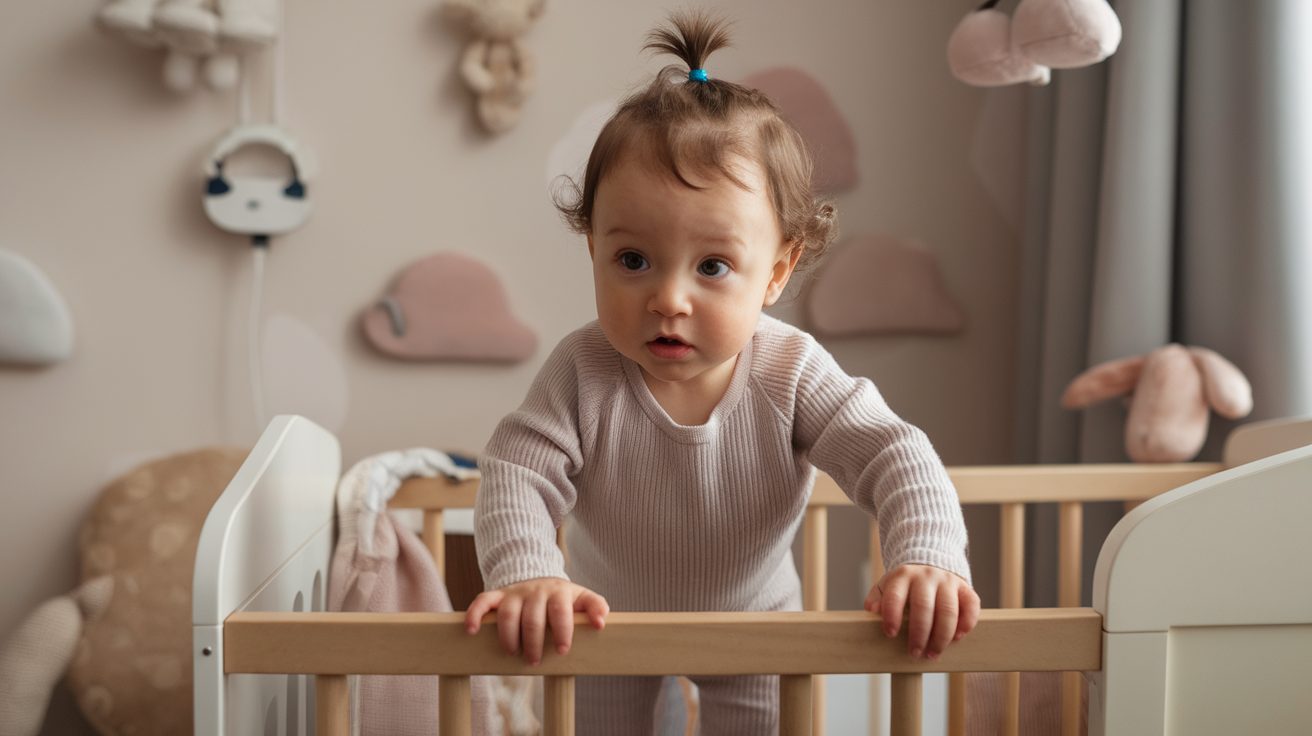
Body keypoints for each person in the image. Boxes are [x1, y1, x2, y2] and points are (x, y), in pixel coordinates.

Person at [465, 11, 978, 733]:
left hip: (758, 628)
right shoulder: (583, 369)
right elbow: (517, 469)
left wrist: (926, 555)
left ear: (776, 272)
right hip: (603, 621)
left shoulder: (791, 371)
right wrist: (529, 574)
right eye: (633, 260)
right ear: (593, 252)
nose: (668, 298)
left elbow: (892, 452)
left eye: (712, 266)